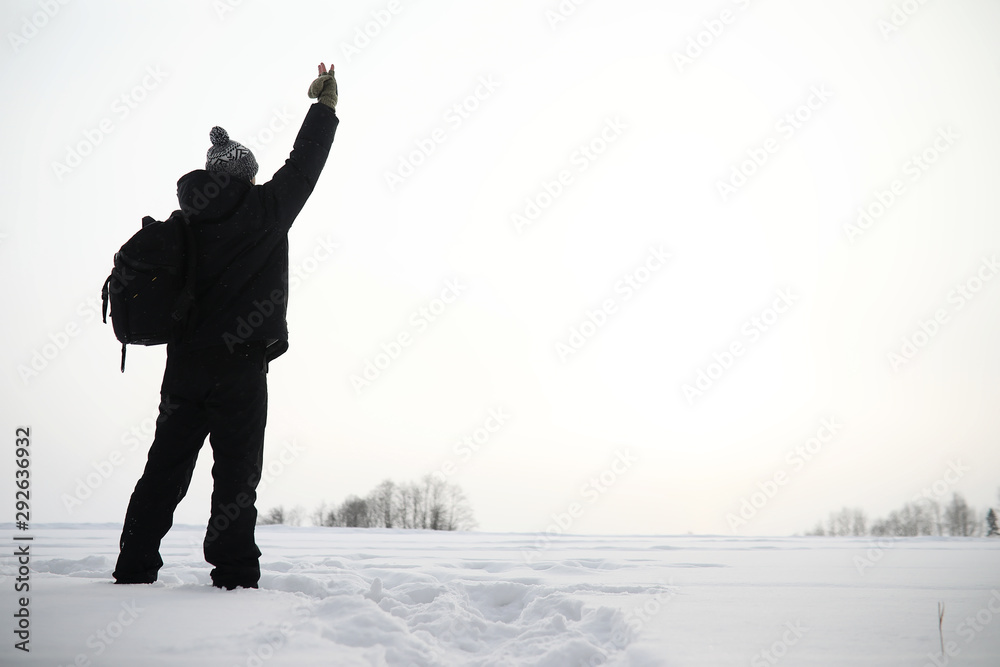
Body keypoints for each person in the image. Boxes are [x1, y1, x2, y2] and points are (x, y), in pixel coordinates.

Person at [113, 63, 340, 590]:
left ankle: (133, 566)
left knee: (164, 470)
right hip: (240, 367)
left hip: (185, 366)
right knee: (236, 476)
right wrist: (323, 108)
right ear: (246, 173)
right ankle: (233, 575)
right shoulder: (266, 209)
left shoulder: (184, 222)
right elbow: (305, 165)